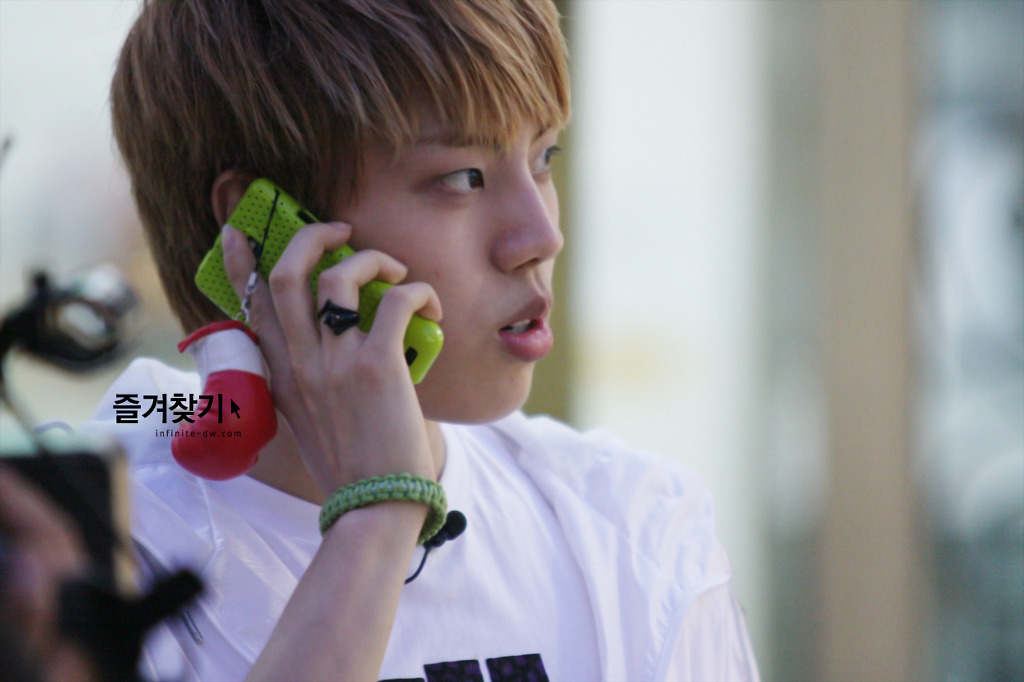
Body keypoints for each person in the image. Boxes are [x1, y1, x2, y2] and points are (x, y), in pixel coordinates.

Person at [87, 0, 760, 679]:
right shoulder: (80, 555)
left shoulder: (638, 530)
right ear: (260, 233)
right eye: (463, 179)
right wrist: (378, 517)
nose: (541, 237)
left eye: (544, 158)